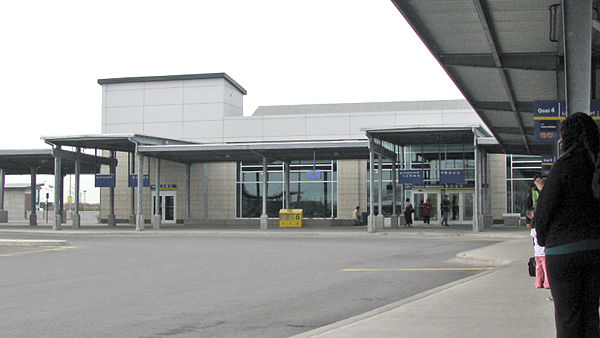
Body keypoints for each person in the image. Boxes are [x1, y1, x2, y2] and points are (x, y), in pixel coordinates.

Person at [535, 112, 600, 337]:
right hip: (595, 250)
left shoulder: (563, 166)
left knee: (568, 318)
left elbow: (543, 212)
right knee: (591, 315)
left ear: (567, 138)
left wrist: (543, 241)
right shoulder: (596, 166)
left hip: (563, 251)